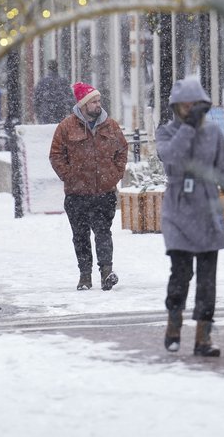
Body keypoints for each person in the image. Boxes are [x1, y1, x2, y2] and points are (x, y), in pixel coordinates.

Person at [155, 77, 224, 357]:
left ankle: (203, 337)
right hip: (178, 212)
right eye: (184, 105)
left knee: (207, 281)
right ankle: (174, 325)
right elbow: (171, 157)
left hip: (208, 212)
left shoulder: (213, 134)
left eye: (194, 104)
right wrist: (187, 128)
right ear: (175, 107)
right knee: (181, 274)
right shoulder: (166, 133)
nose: (189, 109)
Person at [49, 81, 129, 291]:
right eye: (93, 101)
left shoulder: (110, 125)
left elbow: (122, 150)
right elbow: (56, 155)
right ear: (82, 105)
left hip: (104, 191)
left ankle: (106, 272)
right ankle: (85, 275)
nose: (98, 105)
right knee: (80, 235)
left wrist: (114, 175)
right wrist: (69, 176)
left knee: (103, 232)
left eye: (99, 100)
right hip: (77, 194)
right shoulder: (66, 127)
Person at [33, 60, 70, 124]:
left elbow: (37, 99)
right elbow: (69, 98)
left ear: (48, 68)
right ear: (57, 67)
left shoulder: (42, 82)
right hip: (60, 111)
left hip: (46, 112)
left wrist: (38, 112)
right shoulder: (63, 81)